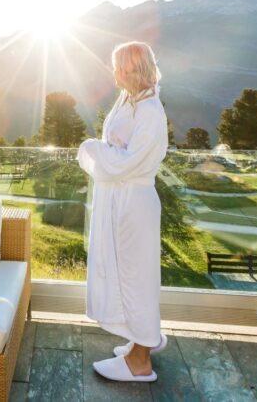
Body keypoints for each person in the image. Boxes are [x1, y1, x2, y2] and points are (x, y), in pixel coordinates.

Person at [77, 41, 169, 383]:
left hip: (134, 206)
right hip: (120, 201)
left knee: (137, 277)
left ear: (133, 70)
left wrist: (91, 149)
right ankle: (140, 340)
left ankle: (141, 361)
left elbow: (130, 161)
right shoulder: (131, 99)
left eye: (119, 66)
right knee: (127, 272)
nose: (113, 72)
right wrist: (104, 152)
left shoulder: (150, 113)